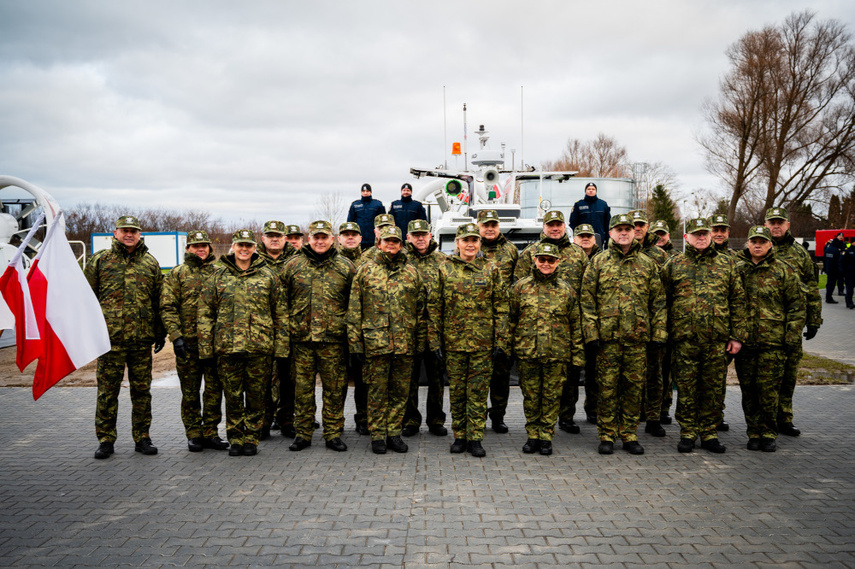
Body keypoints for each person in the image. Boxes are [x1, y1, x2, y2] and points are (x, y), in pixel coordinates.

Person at [581, 213, 666, 456]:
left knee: (633, 389)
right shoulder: (598, 262)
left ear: (634, 232)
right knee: (606, 388)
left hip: (637, 340)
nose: (624, 233)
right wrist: (591, 333)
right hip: (607, 340)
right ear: (610, 233)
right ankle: (607, 434)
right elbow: (586, 301)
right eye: (619, 229)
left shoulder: (647, 264)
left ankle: (629, 434)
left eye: (627, 229)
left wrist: (658, 333)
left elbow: (658, 302)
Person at [660, 217, 747, 454]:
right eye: (696, 234)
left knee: (713, 388)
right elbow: (662, 301)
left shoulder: (727, 264)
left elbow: (738, 301)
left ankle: (709, 432)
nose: (701, 238)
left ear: (710, 236)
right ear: (687, 237)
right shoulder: (674, 264)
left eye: (704, 234)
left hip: (716, 340)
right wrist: (664, 333)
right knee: (686, 388)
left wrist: (737, 336)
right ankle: (687, 432)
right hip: (684, 339)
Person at [198, 229, 287, 457]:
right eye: (240, 245)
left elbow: (280, 313)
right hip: (228, 347)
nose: (244, 249)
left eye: (248, 245)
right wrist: (207, 347)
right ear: (233, 247)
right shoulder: (218, 275)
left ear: (255, 248)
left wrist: (280, 347)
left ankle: (252, 438)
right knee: (233, 396)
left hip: (260, 347)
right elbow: (206, 313)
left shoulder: (267, 276)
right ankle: (235, 438)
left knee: (257, 396)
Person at [85, 215, 166, 460]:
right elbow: (86, 298)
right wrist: (89, 332)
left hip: (141, 341)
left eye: (134, 231)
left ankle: (142, 437)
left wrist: (160, 331)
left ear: (140, 234)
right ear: (115, 232)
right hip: (109, 340)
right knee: (107, 392)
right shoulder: (100, 260)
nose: (129, 234)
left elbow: (158, 300)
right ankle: (106, 439)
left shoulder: (150, 262)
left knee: (142, 391)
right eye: (125, 230)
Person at [429, 223, 509, 457]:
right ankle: (460, 436)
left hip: (482, 345)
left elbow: (501, 307)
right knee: (457, 392)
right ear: (458, 243)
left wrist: (500, 341)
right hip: (453, 344)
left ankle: (475, 437)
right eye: (466, 240)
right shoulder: (444, 269)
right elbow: (434, 307)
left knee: (477, 392)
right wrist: (435, 342)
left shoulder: (491, 269)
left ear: (480, 243)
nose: (470, 244)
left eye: (474, 240)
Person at [347, 225, 428, 454]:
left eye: (395, 241)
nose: (390, 245)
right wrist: (355, 344)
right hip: (375, 344)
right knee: (377, 392)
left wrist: (420, 343)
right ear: (379, 243)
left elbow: (420, 312)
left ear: (401, 244)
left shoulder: (411, 272)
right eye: (386, 241)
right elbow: (354, 310)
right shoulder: (365, 271)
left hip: (404, 344)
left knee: (400, 392)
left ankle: (394, 433)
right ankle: (377, 436)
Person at [282, 220, 355, 452]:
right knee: (302, 389)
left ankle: (332, 433)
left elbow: (354, 305)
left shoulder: (345, 266)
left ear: (332, 239)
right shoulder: (292, 265)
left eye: (325, 237)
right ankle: (303, 433)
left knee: (334, 389)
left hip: (334, 341)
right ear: (309, 239)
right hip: (301, 340)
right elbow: (281, 303)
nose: (320, 241)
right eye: (316, 237)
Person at [515, 210, 588, 434]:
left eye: (559, 224)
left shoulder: (578, 253)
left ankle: (566, 417)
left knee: (569, 380)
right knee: (536, 388)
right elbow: (519, 288)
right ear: (544, 227)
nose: (555, 228)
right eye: (550, 225)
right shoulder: (529, 253)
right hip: (534, 331)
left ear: (564, 226)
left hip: (565, 326)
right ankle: (538, 428)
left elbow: (587, 289)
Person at [734, 226, 805, 452]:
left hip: (773, 343)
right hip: (745, 342)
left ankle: (768, 432)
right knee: (749, 390)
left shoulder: (783, 270)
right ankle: (753, 432)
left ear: (769, 245)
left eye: (762, 242)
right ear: (747, 243)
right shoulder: (737, 270)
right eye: (753, 241)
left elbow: (796, 306)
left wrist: (791, 336)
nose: (757, 245)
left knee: (769, 390)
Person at [509, 242, 583, 456]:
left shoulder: (566, 290)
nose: (546, 264)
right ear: (535, 260)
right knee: (531, 397)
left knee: (551, 397)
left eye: (551, 260)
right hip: (527, 353)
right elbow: (511, 319)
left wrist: (577, 355)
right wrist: (508, 348)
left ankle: (546, 437)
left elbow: (575, 324)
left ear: (557, 262)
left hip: (556, 354)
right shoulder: (521, 287)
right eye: (542, 260)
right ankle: (532, 435)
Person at [160, 229, 229, 453]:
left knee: (213, 390)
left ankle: (210, 432)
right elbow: (168, 307)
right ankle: (193, 433)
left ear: (209, 248)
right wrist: (176, 336)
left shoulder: (220, 272)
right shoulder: (177, 274)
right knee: (190, 392)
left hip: (214, 344)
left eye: (204, 245)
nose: (201, 249)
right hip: (187, 345)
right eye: (196, 245)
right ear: (188, 248)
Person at [764, 207, 822, 437]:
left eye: (780, 222)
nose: (776, 226)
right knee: (765, 378)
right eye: (772, 222)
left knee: (788, 375)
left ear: (788, 225)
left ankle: (784, 418)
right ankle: (762, 421)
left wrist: (814, 319)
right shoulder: (756, 249)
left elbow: (812, 287)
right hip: (764, 325)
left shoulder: (799, 254)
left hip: (792, 325)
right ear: (766, 224)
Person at [402, 219, 448, 437]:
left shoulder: (444, 261)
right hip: (410, 330)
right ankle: (410, 419)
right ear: (408, 237)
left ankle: (436, 419)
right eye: (416, 234)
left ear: (431, 235)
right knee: (409, 377)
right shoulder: (401, 260)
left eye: (424, 234)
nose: (420, 238)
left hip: (436, 329)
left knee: (437, 377)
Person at [627, 210, 669, 438]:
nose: (638, 228)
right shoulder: (617, 252)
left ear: (647, 226)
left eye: (641, 224)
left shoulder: (659, 256)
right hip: (626, 330)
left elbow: (664, 297)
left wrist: (661, 329)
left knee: (655, 375)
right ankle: (630, 418)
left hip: (652, 328)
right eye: (633, 225)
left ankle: (654, 417)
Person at [477, 209, 518, 434]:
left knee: (501, 374)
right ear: (479, 226)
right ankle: (478, 417)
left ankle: (498, 416)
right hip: (478, 321)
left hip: (504, 320)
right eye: (485, 225)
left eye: (493, 224)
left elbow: (519, 282)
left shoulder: (511, 250)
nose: (490, 228)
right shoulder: (472, 248)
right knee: (479, 374)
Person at [257, 220, 299, 439]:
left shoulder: (296, 261)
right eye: (270, 235)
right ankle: (263, 422)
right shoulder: (253, 261)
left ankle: (287, 420)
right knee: (264, 379)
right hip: (262, 331)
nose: (274, 238)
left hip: (291, 330)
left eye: (278, 235)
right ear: (263, 238)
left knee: (289, 379)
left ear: (285, 238)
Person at [337, 221, 368, 435]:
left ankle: (363, 418)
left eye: (353, 235)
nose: (350, 238)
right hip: (336, 332)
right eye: (345, 234)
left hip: (362, 330)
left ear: (360, 238)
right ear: (338, 238)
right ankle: (334, 422)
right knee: (336, 381)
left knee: (362, 380)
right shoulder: (332, 261)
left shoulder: (369, 261)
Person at [569, 223, 599, 426]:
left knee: (595, 372)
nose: (585, 239)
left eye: (588, 236)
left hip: (596, 323)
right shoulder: (567, 257)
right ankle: (567, 415)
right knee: (571, 372)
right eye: (581, 236)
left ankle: (593, 410)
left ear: (594, 239)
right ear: (575, 239)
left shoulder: (601, 260)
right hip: (571, 323)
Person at [651, 220, 679, 427]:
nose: (661, 237)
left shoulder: (669, 257)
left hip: (664, 324)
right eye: (657, 233)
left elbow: (666, 293)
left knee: (662, 373)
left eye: (664, 233)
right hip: (635, 327)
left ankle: (661, 411)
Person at [569, 182, 611, 246]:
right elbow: (573, 223)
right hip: (582, 237)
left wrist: (607, 240)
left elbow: (608, 224)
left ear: (596, 191)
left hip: (599, 237)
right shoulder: (579, 205)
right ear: (585, 191)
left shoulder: (603, 204)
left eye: (593, 189)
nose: (591, 191)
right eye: (589, 189)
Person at [347, 183, 386, 250]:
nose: (365, 193)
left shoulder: (377, 204)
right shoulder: (355, 204)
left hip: (374, 238)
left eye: (367, 191)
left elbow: (383, 221)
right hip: (359, 238)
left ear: (370, 192)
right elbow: (350, 221)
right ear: (361, 192)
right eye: (363, 191)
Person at [823, 233, 845, 303]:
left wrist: (825, 267)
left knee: (829, 283)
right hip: (835, 270)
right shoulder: (836, 250)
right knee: (831, 284)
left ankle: (828, 297)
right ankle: (829, 298)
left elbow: (824, 259)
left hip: (829, 269)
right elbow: (839, 261)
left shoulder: (828, 249)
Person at [843, 241, 855, 309]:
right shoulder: (848, 251)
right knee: (849, 288)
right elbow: (843, 261)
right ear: (853, 243)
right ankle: (849, 302)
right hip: (849, 273)